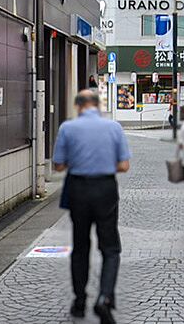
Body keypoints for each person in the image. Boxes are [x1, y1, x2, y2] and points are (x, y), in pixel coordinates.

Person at [54, 90, 131, 324]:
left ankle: (79, 301)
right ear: (97, 106)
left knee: (80, 246)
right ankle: (104, 298)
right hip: (106, 188)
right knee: (110, 247)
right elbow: (125, 165)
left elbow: (58, 166)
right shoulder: (114, 128)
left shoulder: (67, 128)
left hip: (78, 189)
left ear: (78, 107)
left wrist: (76, 162)